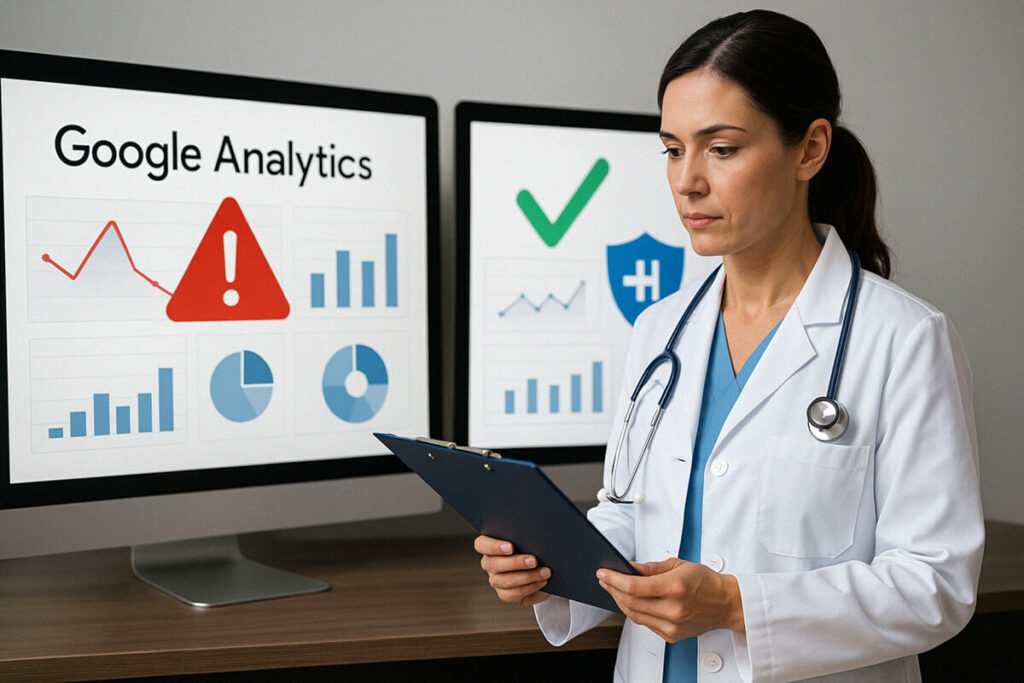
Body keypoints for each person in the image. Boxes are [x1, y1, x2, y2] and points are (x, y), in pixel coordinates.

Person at [474, 9, 984, 682]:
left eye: (721, 148)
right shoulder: (662, 329)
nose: (687, 180)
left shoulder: (905, 340)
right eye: (673, 148)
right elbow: (635, 521)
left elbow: (935, 587)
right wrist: (552, 569)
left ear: (809, 149)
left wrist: (739, 604)